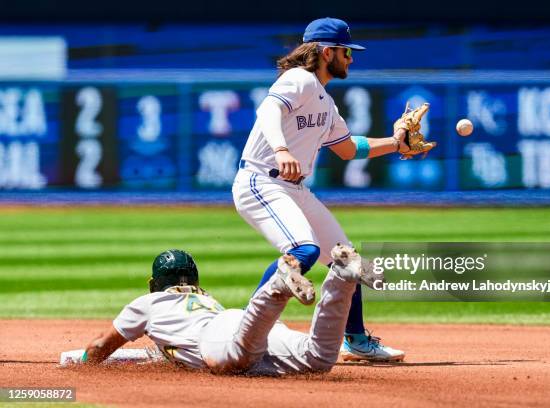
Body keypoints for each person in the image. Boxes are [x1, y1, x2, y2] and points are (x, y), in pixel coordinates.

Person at [232, 17, 427, 361]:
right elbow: (268, 109)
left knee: (348, 260)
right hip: (261, 180)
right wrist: (281, 149)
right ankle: (244, 333)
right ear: (326, 52)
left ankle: (355, 340)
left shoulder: (324, 101)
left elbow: (349, 149)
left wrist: (397, 144)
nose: (351, 58)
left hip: (294, 188)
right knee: (303, 250)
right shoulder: (299, 80)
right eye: (346, 52)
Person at [80, 247, 382, 375]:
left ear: (152, 285)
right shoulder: (207, 298)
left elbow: (98, 347)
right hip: (236, 321)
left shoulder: (147, 303)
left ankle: (277, 287)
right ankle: (342, 277)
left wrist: (80, 365)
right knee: (318, 359)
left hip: (221, 337)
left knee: (239, 358)